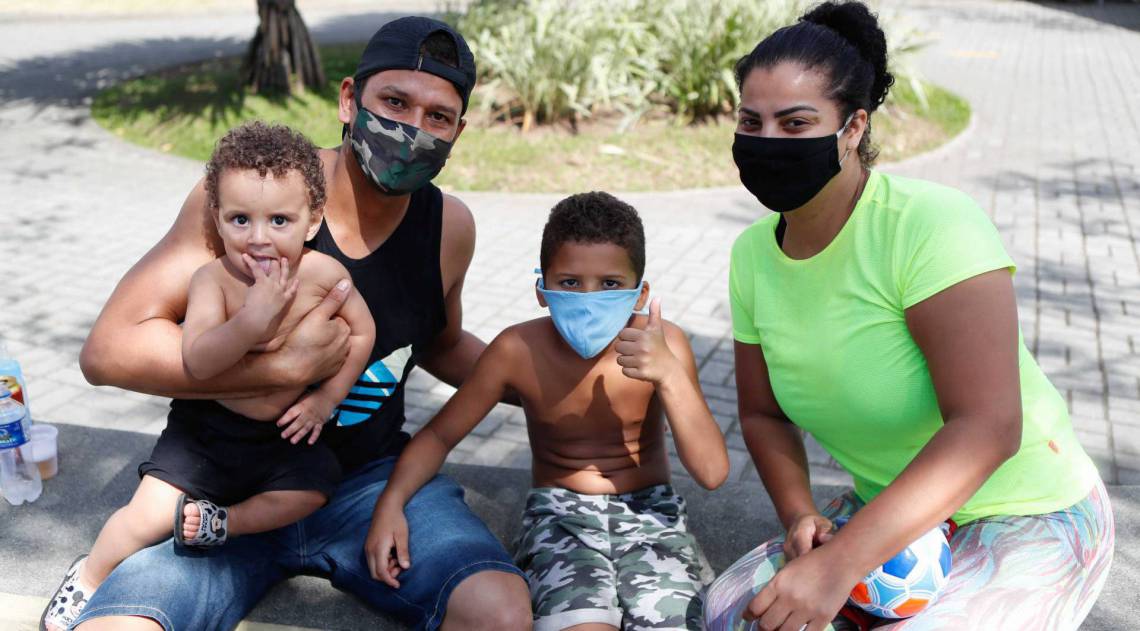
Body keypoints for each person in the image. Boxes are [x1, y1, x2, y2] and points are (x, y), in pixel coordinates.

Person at [72, 16, 532, 631]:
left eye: (437, 116)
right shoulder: (256, 198)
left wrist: (550, 386)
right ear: (349, 99)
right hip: (224, 483)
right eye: (393, 102)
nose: (411, 130)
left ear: (458, 131)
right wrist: (284, 370)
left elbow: (440, 344)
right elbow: (108, 351)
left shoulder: (449, 227)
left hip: (367, 483)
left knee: (501, 611)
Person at [702, 2, 1113, 631]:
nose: (767, 142)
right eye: (751, 122)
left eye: (796, 122)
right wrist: (799, 515)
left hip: (1029, 510)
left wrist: (838, 565)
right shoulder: (752, 255)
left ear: (852, 127)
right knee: (731, 616)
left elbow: (990, 424)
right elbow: (762, 412)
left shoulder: (930, 225)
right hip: (889, 510)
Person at [42, 121, 376, 631]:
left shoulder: (323, 275)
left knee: (311, 493)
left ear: (312, 221)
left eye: (280, 220)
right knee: (143, 519)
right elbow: (198, 360)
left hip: (282, 436)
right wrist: (251, 322)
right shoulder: (212, 281)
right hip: (208, 436)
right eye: (241, 219)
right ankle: (88, 576)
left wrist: (326, 398)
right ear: (217, 220)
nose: (259, 238)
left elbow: (362, 332)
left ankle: (224, 524)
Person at [366, 192, 730, 631]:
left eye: (610, 284)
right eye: (570, 282)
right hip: (560, 520)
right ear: (542, 289)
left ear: (640, 292)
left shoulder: (664, 346)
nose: (589, 297)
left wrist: (670, 376)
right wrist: (392, 502)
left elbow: (711, 471)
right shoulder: (517, 350)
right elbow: (440, 435)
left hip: (650, 516)